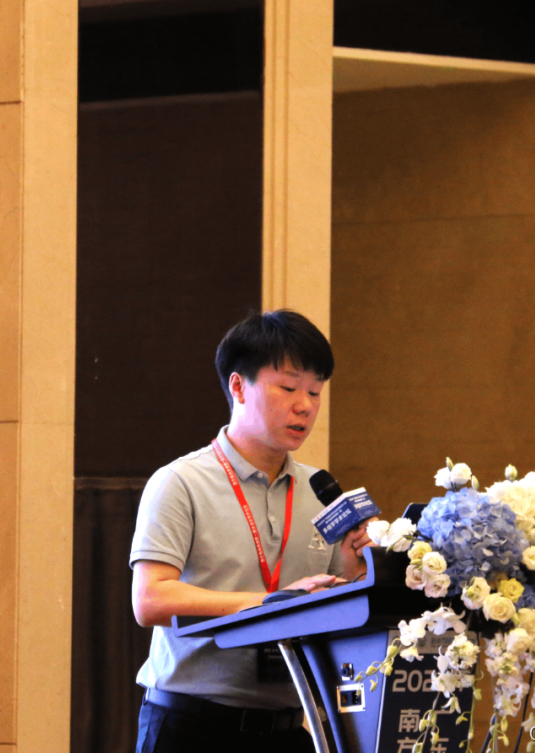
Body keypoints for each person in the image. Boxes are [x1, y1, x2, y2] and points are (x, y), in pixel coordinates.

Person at [129, 310, 373, 753]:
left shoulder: (320, 490)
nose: (305, 406)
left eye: (315, 392)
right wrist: (271, 606)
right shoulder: (181, 482)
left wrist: (358, 572)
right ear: (239, 387)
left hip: (288, 728)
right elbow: (151, 600)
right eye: (289, 388)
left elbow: (336, 612)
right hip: (191, 726)